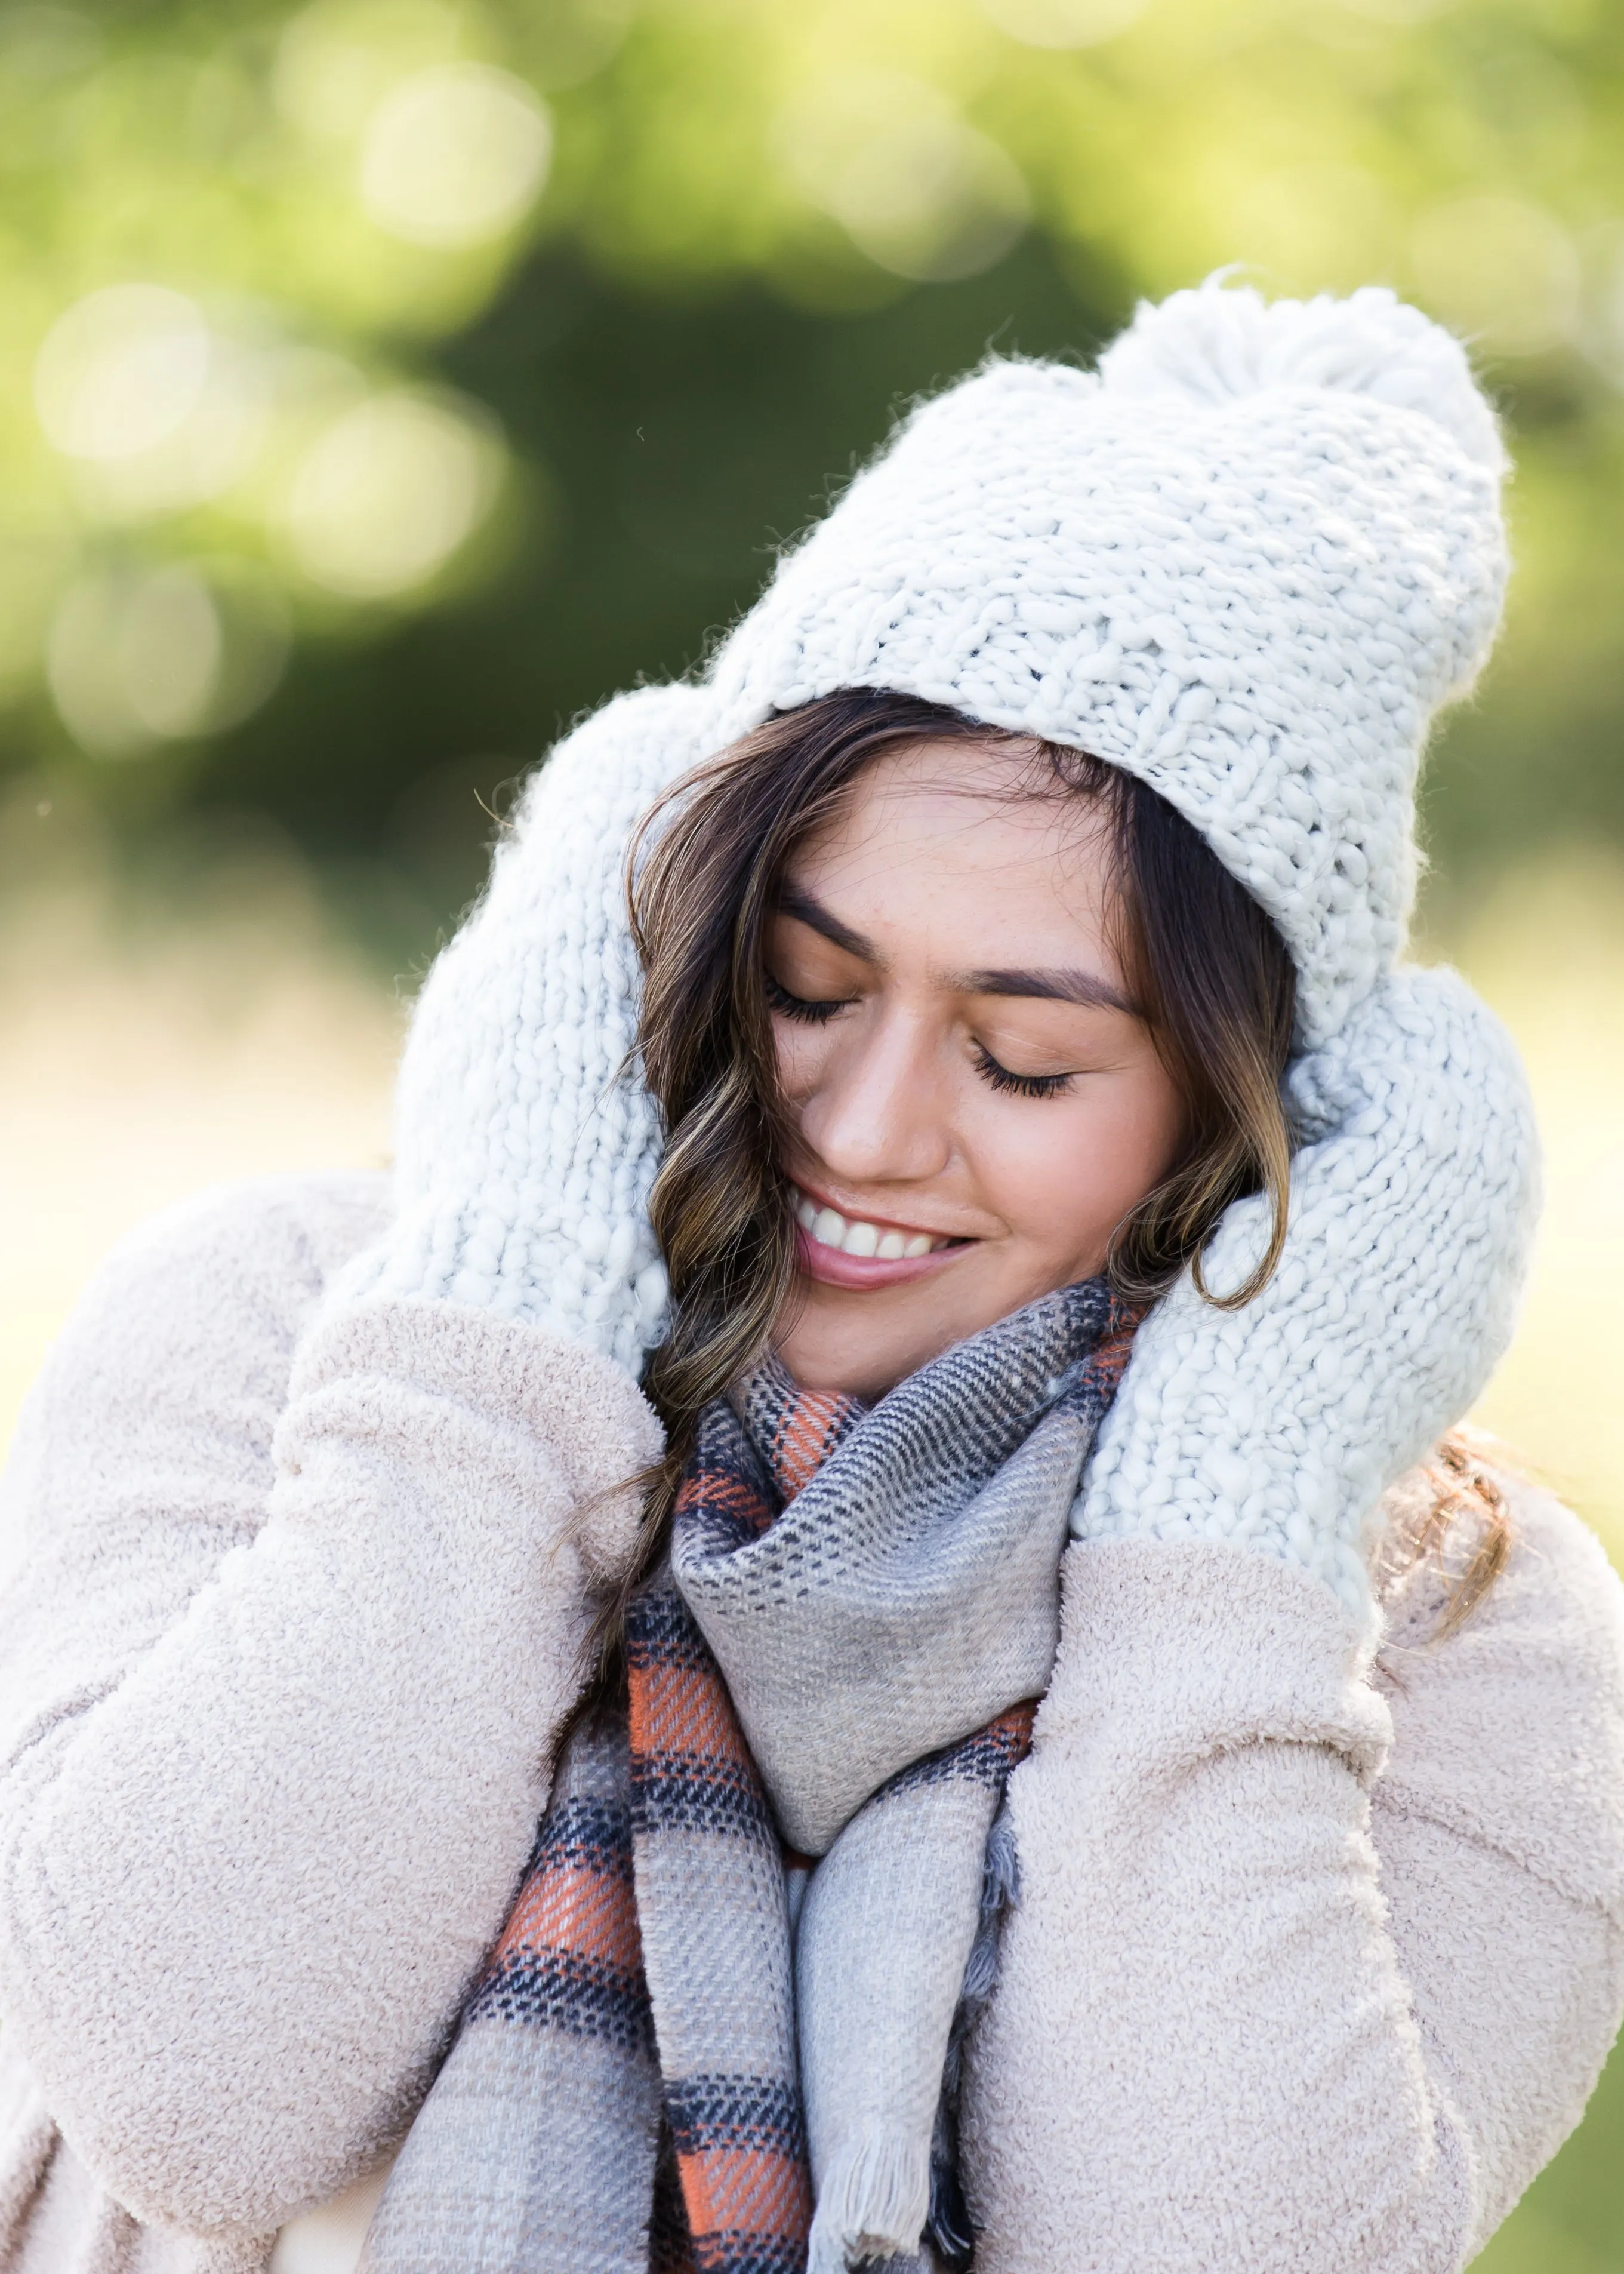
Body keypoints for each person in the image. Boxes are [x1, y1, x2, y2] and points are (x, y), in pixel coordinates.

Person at [0, 279, 1620, 2274]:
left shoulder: (1466, 1633)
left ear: (1232, 1103)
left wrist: (1230, 1509)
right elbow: (194, 2092)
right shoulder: (274, 1335)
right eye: (801, 989)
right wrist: (518, 1302)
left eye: (1025, 1061)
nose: (859, 1130)